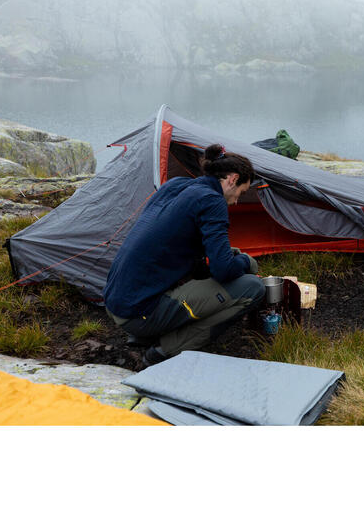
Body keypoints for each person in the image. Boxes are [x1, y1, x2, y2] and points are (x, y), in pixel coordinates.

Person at [103, 144, 266, 365]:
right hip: (138, 313)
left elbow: (185, 252)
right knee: (252, 287)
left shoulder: (176, 185)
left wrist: (226, 256)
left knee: (214, 272)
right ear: (232, 179)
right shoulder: (212, 201)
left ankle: (144, 334)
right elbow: (223, 270)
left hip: (118, 302)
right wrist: (247, 262)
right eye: (241, 192)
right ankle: (164, 350)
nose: (237, 201)